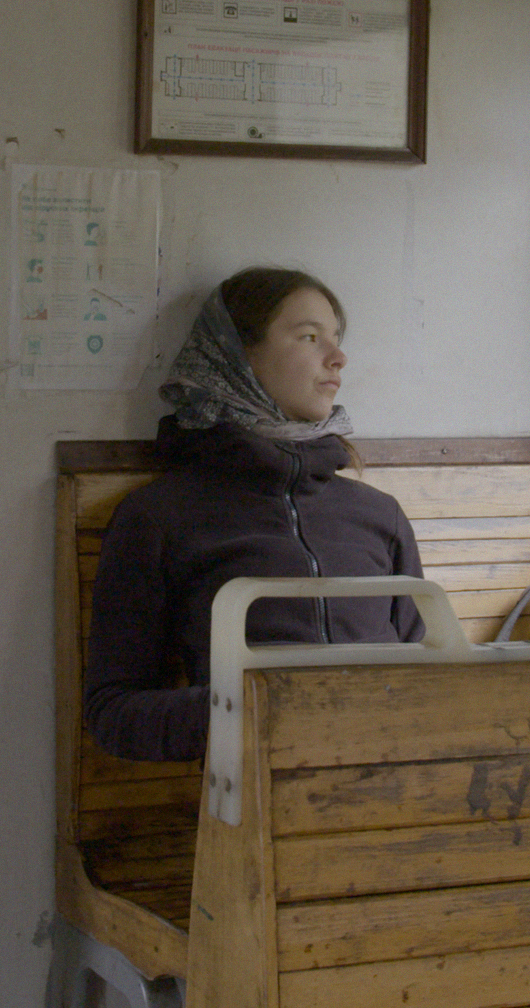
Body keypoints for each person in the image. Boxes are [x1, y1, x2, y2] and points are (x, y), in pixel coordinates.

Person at [83, 267, 424, 762]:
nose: (338, 358)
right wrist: (245, 711)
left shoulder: (378, 515)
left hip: (399, 779)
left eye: (336, 338)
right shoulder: (159, 517)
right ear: (238, 356)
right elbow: (113, 713)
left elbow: (427, 671)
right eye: (309, 336)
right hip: (255, 790)